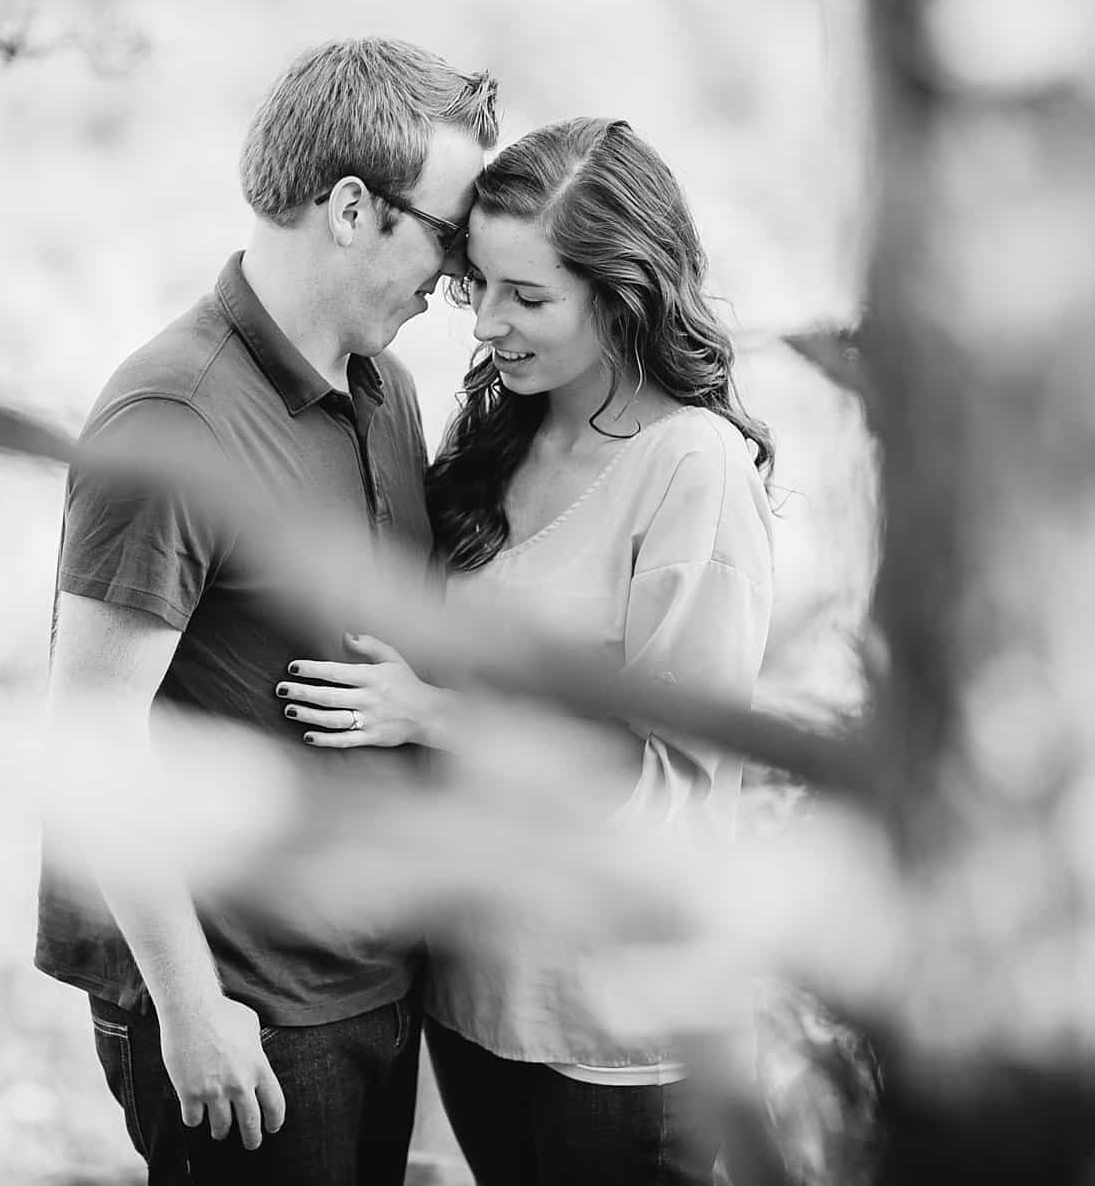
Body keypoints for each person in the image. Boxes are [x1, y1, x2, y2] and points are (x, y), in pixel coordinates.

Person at [36, 37, 499, 1186]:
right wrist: (191, 1010)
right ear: (352, 208)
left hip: (373, 989)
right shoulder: (173, 419)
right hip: (245, 1013)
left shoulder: (382, 385)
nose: (455, 284)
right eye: (445, 239)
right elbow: (88, 738)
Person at [279, 116, 776, 1185]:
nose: (489, 323)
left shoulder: (692, 472)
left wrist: (434, 716)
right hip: (472, 1002)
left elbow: (675, 788)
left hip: (616, 1034)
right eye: (479, 286)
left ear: (624, 294)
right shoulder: (499, 435)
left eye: (529, 297)